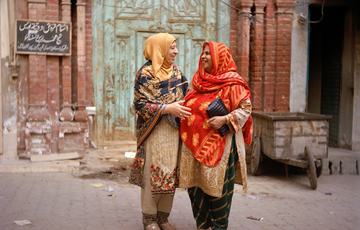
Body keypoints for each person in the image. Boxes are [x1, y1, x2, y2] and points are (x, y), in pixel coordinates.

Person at [179, 41, 253, 230]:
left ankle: (219, 226)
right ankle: (202, 225)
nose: (203, 57)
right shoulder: (197, 81)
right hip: (193, 149)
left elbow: (246, 110)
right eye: (202, 53)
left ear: (219, 57)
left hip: (222, 147)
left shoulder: (233, 83)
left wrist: (224, 119)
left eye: (208, 54)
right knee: (196, 189)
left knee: (218, 192)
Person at [129, 33, 191, 230]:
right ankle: (149, 219)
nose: (176, 51)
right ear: (160, 49)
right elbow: (139, 104)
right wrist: (167, 108)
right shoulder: (145, 74)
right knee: (152, 174)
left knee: (169, 174)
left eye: (175, 47)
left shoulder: (177, 73)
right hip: (153, 131)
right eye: (172, 47)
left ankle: (163, 218)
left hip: (173, 133)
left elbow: (186, 98)